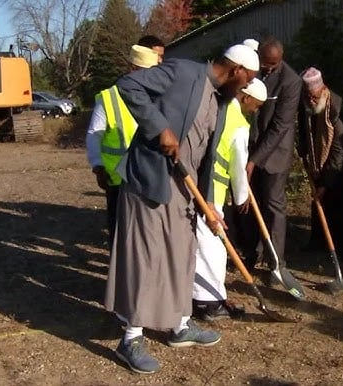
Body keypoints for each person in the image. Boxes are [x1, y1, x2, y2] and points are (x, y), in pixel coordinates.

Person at [104, 44, 259, 374]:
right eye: (248, 80)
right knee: (145, 258)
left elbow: (204, 156)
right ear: (237, 70)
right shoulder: (183, 71)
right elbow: (128, 85)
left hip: (185, 190)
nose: (246, 88)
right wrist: (160, 128)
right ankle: (130, 338)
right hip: (150, 181)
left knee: (182, 256)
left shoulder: (220, 100)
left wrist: (208, 206)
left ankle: (179, 325)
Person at [192, 78, 267, 320]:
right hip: (213, 188)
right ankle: (209, 302)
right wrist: (242, 195)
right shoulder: (239, 124)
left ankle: (200, 296)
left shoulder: (219, 107)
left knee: (200, 241)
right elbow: (237, 166)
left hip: (195, 179)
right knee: (213, 245)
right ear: (246, 98)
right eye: (256, 105)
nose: (256, 110)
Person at [238, 37, 302, 280]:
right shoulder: (253, 69)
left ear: (280, 59)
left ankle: (276, 262)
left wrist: (253, 161)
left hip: (274, 153)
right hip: (248, 146)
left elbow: (280, 126)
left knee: (273, 205)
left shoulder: (291, 81)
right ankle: (251, 251)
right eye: (265, 64)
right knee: (248, 201)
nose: (268, 69)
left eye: (273, 65)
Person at [85, 45, 160, 246]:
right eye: (145, 72)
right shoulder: (110, 97)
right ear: (132, 69)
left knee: (146, 234)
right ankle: (119, 274)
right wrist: (98, 166)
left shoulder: (159, 96)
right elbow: (94, 134)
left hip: (149, 177)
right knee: (120, 233)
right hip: (118, 178)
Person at [296, 67, 343, 260]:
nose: (311, 101)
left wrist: (326, 183)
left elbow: (339, 151)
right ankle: (318, 239)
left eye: (314, 97)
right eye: (308, 97)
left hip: (342, 162)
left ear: (322, 90)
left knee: (338, 200)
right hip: (318, 160)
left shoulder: (338, 109)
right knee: (318, 201)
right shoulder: (306, 104)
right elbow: (305, 132)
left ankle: (342, 246)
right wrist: (304, 151)